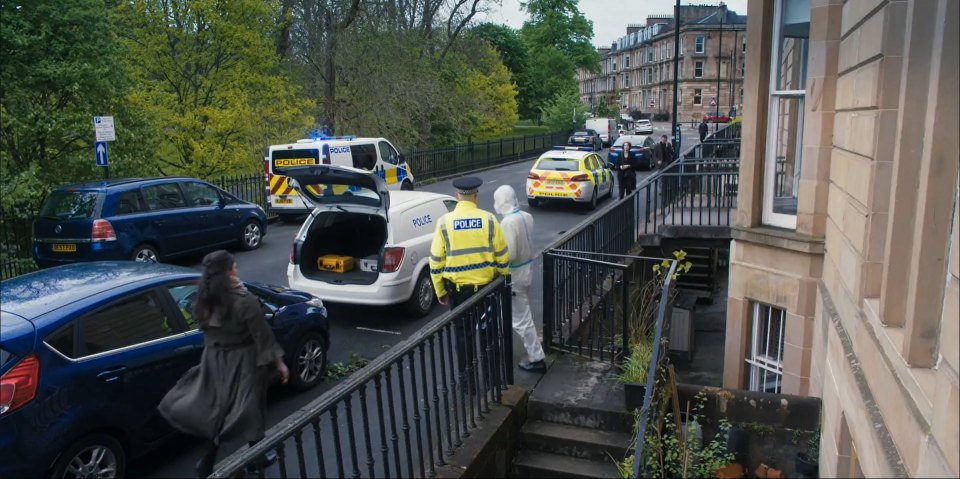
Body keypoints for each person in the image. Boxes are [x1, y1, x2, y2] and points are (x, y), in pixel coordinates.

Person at [158, 250, 289, 478]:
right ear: (227, 272)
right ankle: (255, 457)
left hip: (214, 361)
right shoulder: (245, 301)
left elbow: (203, 327)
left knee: (219, 411)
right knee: (251, 408)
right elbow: (262, 336)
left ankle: (208, 461)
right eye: (234, 267)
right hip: (244, 362)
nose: (237, 270)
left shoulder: (203, 299)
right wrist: (279, 363)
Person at [429, 177, 510, 382]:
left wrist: (440, 291)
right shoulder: (489, 220)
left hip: (458, 293)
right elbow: (502, 256)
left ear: (457, 197)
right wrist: (502, 277)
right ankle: (493, 383)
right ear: (475, 196)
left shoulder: (444, 223)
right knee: (488, 335)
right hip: (486, 290)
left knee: (463, 337)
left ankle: (468, 385)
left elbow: (436, 261)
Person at [493, 185, 547, 373]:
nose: (495, 204)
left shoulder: (508, 223)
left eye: (496, 200)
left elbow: (510, 253)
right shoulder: (526, 217)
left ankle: (536, 357)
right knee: (517, 314)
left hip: (514, 275)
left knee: (521, 319)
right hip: (527, 270)